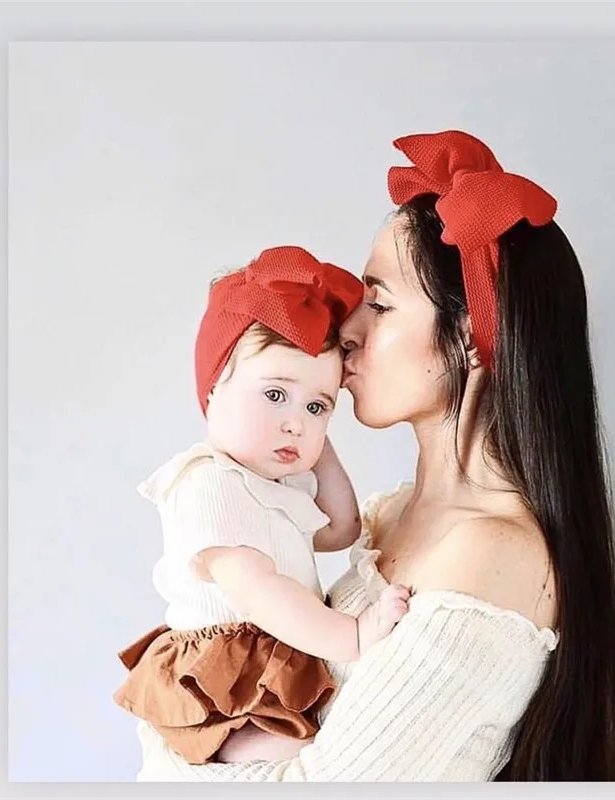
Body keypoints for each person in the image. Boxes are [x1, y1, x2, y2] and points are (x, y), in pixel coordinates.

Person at [132, 130, 615, 781]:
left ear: (469, 335)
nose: (346, 330)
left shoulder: (490, 555)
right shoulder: (387, 515)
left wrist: (161, 735)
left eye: (378, 303)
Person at [113, 245, 410, 766]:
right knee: (298, 752)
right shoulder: (208, 482)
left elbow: (342, 529)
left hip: (274, 646)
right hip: (222, 666)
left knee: (310, 739)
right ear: (213, 393)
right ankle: (228, 752)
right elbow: (256, 591)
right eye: (276, 395)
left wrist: (319, 449)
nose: (296, 420)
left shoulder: (280, 485)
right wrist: (354, 636)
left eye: (318, 406)